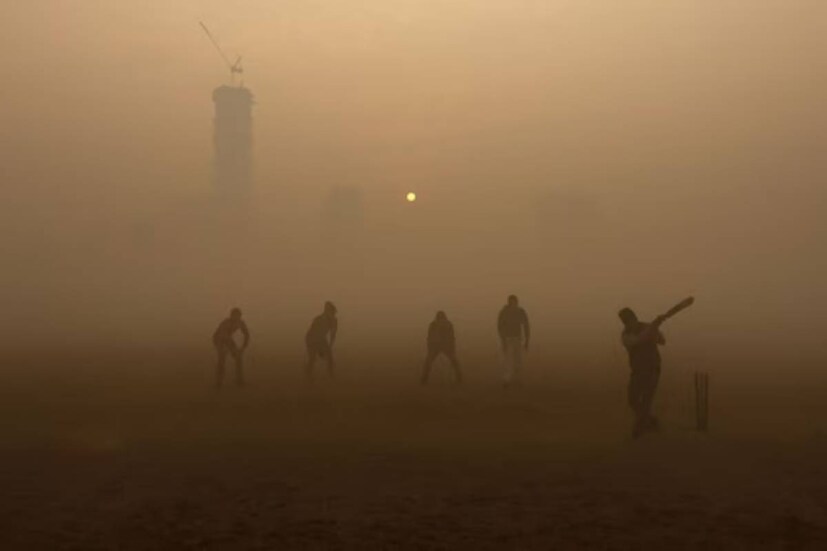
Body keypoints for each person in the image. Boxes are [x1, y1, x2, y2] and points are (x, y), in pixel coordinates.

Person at [618, 307, 666, 437]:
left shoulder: (647, 326)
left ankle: (639, 430)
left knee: (646, 400)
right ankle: (650, 421)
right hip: (637, 371)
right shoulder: (626, 335)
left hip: (652, 368)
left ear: (635, 318)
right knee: (632, 399)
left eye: (630, 319)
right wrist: (652, 327)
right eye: (626, 322)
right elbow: (636, 341)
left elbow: (662, 341)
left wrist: (654, 329)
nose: (629, 323)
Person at [421, 311, 463, 385]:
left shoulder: (435, 324)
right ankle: (459, 378)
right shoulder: (446, 324)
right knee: (454, 361)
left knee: (429, 362)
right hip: (440, 345)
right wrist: (452, 348)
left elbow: (429, 337)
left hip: (440, 345)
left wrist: (430, 347)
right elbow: (451, 337)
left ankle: (424, 379)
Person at [212, 307, 250, 387]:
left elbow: (246, 334)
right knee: (222, 360)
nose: (237, 318)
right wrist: (223, 349)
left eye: (238, 316)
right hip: (219, 339)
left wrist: (243, 347)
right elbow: (221, 336)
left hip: (228, 339)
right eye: (235, 316)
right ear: (231, 316)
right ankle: (218, 382)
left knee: (238, 358)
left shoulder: (240, 322)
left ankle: (239, 380)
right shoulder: (226, 323)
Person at [497, 295, 530, 387]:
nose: (513, 304)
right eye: (512, 302)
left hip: (517, 338)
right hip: (508, 338)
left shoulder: (520, 311)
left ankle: (517, 380)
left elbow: (526, 325)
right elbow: (500, 326)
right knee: (508, 360)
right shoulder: (504, 312)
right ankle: (507, 380)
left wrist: (527, 339)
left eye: (514, 302)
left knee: (518, 360)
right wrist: (503, 339)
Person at [305, 301, 338, 381]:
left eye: (333, 312)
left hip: (321, 338)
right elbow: (312, 333)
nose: (332, 314)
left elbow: (333, 335)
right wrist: (319, 348)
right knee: (312, 358)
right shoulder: (319, 319)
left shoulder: (333, 321)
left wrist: (329, 347)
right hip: (312, 338)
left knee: (329, 357)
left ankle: (331, 376)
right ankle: (308, 376)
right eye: (331, 311)